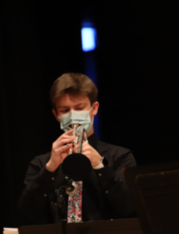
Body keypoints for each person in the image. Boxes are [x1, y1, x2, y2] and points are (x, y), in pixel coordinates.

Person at [18, 73, 137, 225]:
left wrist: (101, 166)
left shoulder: (120, 156)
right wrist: (49, 170)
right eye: (65, 110)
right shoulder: (41, 163)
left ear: (94, 108)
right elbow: (27, 211)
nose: (73, 116)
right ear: (56, 115)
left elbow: (129, 206)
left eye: (79, 108)